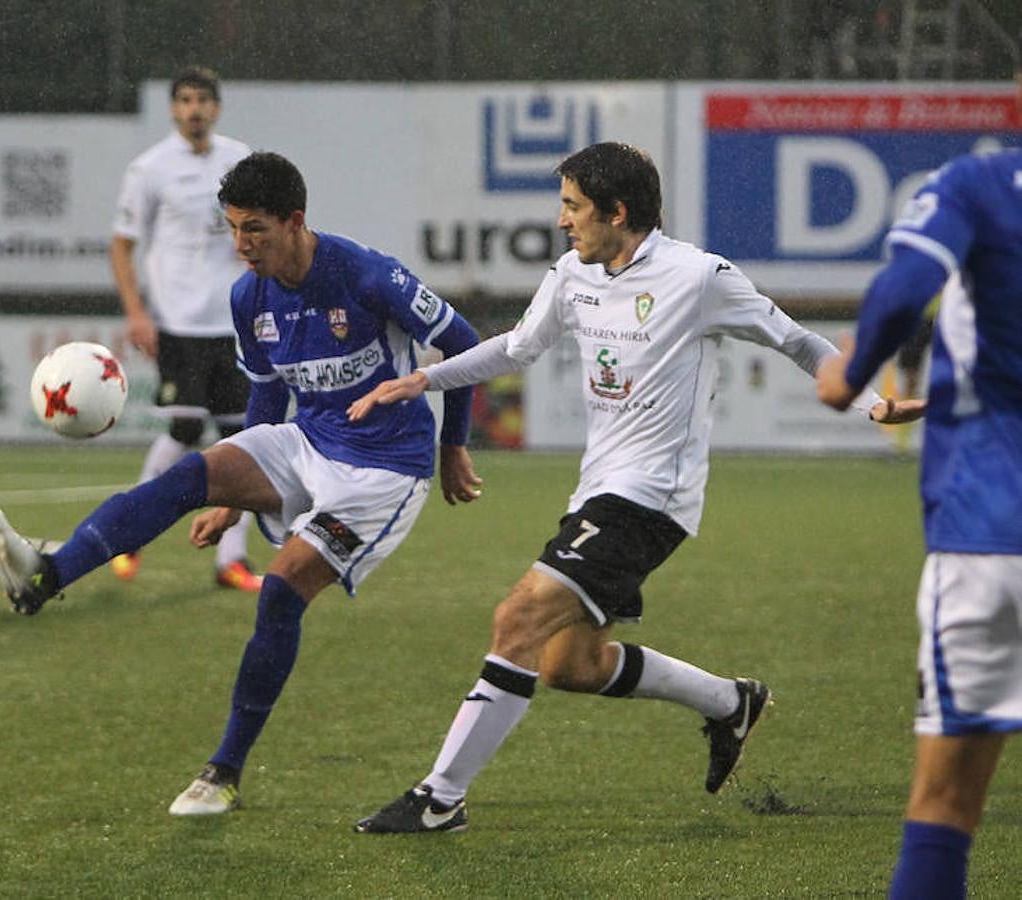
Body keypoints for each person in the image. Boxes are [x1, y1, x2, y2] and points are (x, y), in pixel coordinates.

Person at [348, 141, 922, 834]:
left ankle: (440, 798)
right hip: (597, 493)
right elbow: (519, 347)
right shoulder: (573, 273)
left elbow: (794, 340)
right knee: (571, 664)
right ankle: (729, 702)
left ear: (618, 212)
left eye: (573, 207)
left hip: (651, 499)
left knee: (517, 620)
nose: (563, 221)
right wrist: (424, 379)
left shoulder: (699, 276)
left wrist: (873, 402)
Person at [0, 151, 482, 817]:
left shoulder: (366, 275)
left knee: (279, 592)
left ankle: (223, 772)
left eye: (255, 230)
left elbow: (467, 343)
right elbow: (267, 404)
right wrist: (233, 494)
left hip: (384, 470)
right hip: (310, 441)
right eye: (233, 229)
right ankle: (47, 574)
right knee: (188, 475)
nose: (241, 246)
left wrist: (453, 447)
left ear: (295, 221)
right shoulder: (250, 297)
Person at [817, 135, 1021, 897]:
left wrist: (849, 374)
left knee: (946, 806)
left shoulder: (980, 182)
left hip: (992, 534)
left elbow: (905, 289)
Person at [108, 65, 259, 591]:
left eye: (203, 100)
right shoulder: (150, 169)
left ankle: (232, 561)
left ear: (217, 108)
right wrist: (137, 313)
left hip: (232, 323)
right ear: (173, 109)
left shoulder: (239, 160)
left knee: (241, 440)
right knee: (186, 428)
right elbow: (122, 246)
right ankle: (129, 535)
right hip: (176, 321)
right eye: (185, 100)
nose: (195, 109)